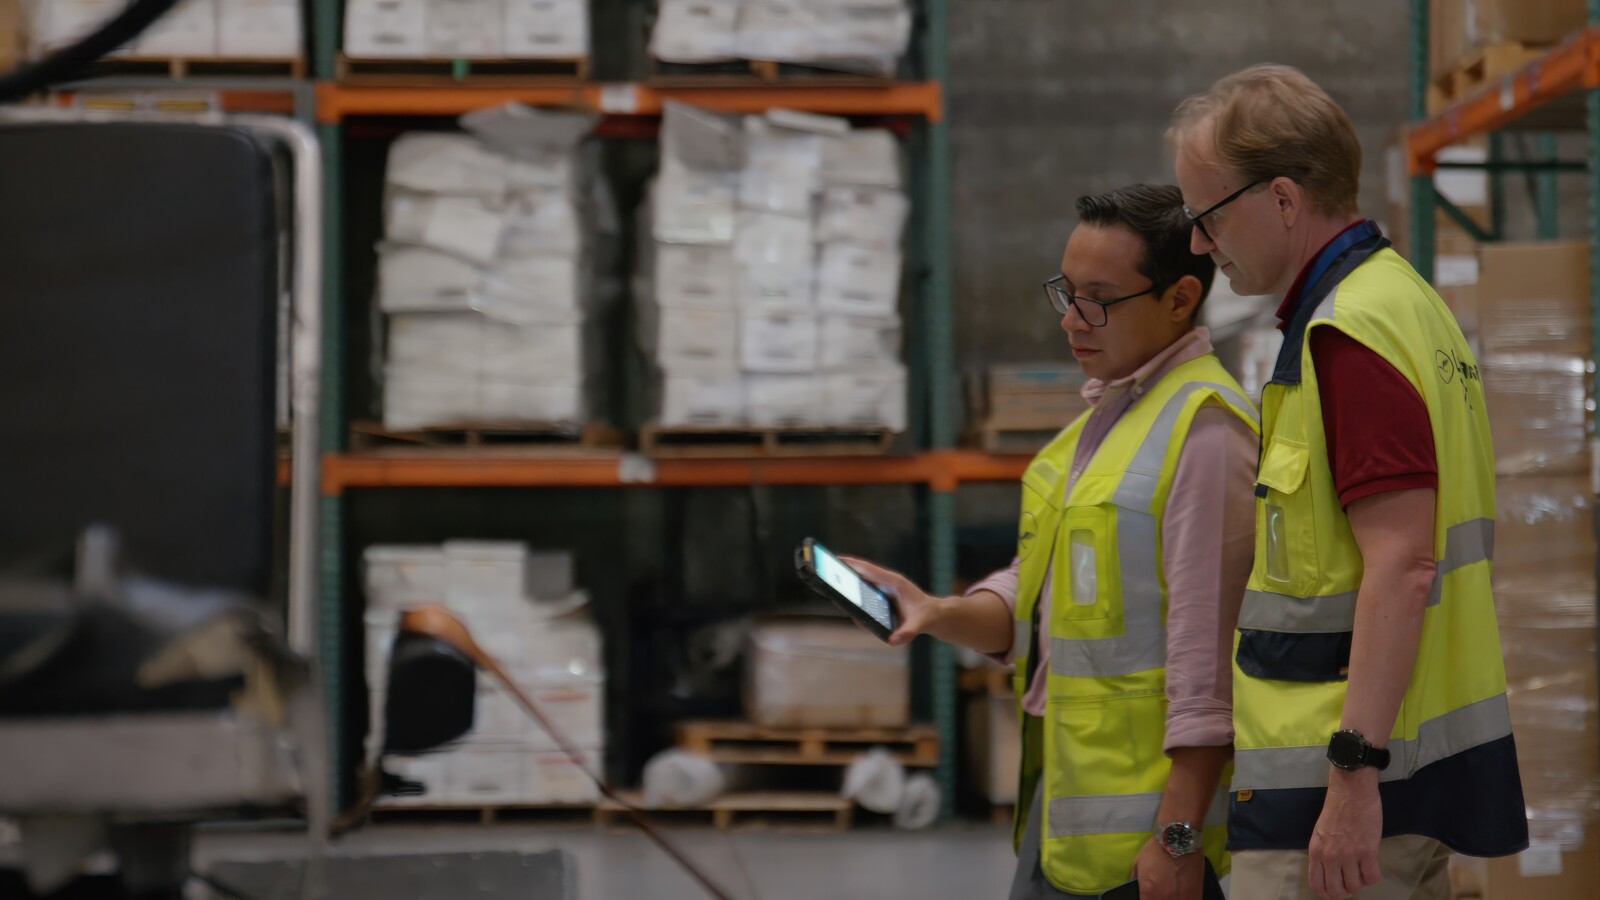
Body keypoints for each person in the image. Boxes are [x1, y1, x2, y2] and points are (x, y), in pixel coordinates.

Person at [1168, 65, 1529, 900]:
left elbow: (1402, 565)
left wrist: (1353, 775)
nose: (1198, 242)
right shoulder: (1404, 302)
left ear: (1284, 200)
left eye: (1209, 215)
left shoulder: (1350, 334)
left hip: (1342, 796)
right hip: (1394, 773)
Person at [846, 184, 1259, 899]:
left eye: (1098, 298)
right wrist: (936, 611)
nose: (1072, 320)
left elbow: (1208, 664)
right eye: (1065, 293)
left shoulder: (1206, 434)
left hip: (1149, 848)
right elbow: (1036, 599)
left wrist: (1178, 838)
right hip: (1063, 822)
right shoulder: (1101, 425)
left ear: (1180, 298)